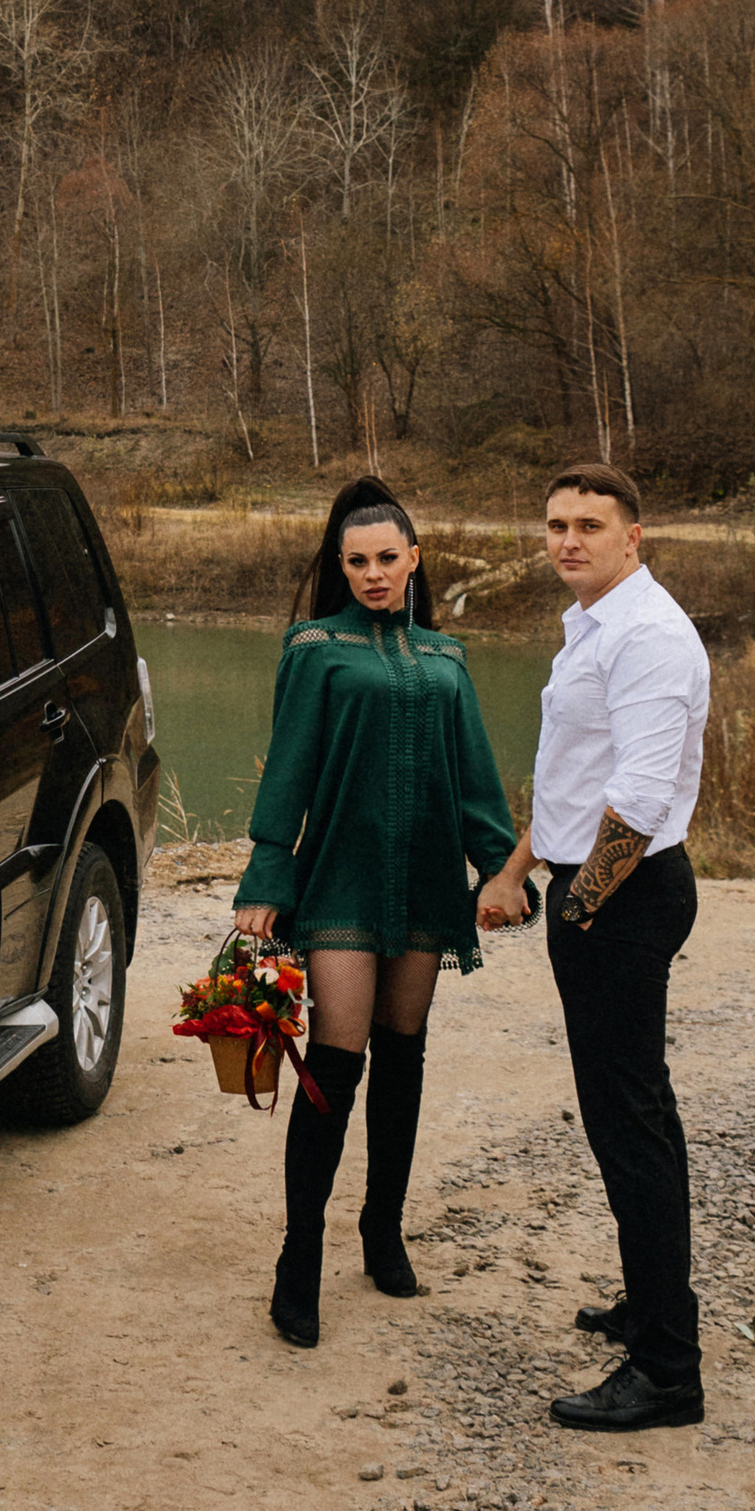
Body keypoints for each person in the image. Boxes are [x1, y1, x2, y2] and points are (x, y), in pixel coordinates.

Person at [235, 476, 519, 1347]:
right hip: (344, 880)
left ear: (414, 560)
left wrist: (503, 868)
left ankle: (383, 1230)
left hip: (427, 877)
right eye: (355, 560)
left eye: (387, 558)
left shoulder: (447, 658)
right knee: (335, 1058)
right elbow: (289, 765)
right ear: (340, 566)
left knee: (404, 1054)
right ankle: (299, 1260)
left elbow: (472, 775)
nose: (372, 573)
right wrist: (267, 874)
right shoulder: (314, 647)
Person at [480, 462, 711, 1432]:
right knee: (632, 1115)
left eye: (587, 524)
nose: (566, 539)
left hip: (622, 896)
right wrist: (519, 866)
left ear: (633, 536)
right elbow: (576, 778)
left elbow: (642, 798)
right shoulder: (594, 626)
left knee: (628, 1125)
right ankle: (647, 1308)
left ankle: (666, 1370)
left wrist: (578, 908)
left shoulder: (649, 637)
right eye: (554, 524)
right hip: (591, 884)